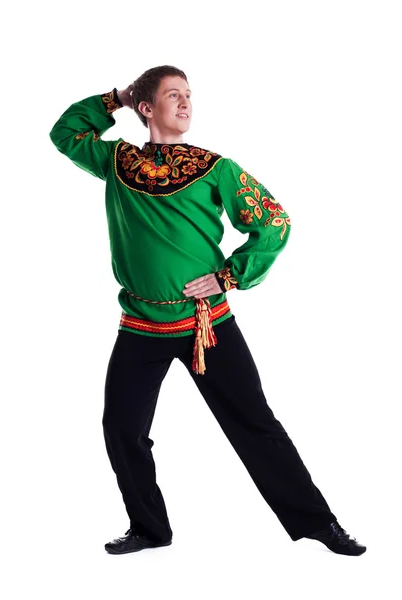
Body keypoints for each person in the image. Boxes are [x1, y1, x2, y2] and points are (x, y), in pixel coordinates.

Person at [49, 65, 366, 556]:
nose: (185, 103)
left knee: (255, 425)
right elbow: (64, 132)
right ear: (147, 108)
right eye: (172, 95)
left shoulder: (216, 167)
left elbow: (274, 222)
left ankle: (320, 525)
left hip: (206, 325)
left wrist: (229, 275)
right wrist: (115, 97)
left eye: (189, 95)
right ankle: (150, 529)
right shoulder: (115, 161)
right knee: (122, 428)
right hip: (140, 325)